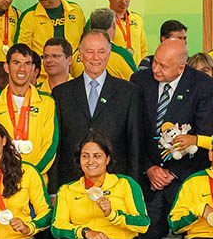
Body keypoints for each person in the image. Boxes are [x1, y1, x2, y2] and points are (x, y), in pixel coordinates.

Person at [130, 39, 213, 239]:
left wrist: (173, 173)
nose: (155, 69)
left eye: (163, 66)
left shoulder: (203, 85)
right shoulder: (139, 80)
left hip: (184, 176)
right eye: (155, 62)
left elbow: (204, 136)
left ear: (181, 68)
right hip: (147, 175)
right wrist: (149, 168)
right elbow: (134, 131)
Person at [51, 31, 144, 191]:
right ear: (80, 55)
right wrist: (53, 190)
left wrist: (133, 188)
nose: (95, 58)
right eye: (90, 52)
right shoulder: (61, 93)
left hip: (116, 185)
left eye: (101, 52)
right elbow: (56, 146)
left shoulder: (129, 92)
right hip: (72, 185)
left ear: (109, 54)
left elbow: (135, 145)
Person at [0, 44, 58, 179]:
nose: (22, 69)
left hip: (37, 180)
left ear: (33, 69)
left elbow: (51, 144)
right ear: (7, 67)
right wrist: (7, 172)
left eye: (27, 63)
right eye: (16, 63)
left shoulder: (47, 102)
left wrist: (32, 173)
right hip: (3, 179)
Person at [17, 0, 85, 55]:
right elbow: (21, 50)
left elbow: (85, 41)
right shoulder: (29, 15)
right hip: (43, 66)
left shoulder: (75, 10)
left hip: (73, 66)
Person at [69, 9, 137, 80]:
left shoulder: (77, 54)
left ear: (90, 26)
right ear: (114, 26)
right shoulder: (122, 55)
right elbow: (136, 81)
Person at [106, 0, 148, 65]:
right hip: (114, 74)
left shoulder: (137, 19)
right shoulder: (102, 20)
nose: (124, 1)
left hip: (135, 74)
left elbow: (143, 50)